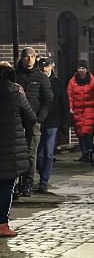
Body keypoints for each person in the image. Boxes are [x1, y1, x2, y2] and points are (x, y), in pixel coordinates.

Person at [0, 61, 37, 237]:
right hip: (11, 146)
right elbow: (31, 117)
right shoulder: (16, 92)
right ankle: (2, 224)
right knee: (7, 187)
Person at [15, 47, 53, 196]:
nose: (29, 59)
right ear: (22, 58)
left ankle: (28, 182)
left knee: (31, 153)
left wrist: (39, 119)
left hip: (34, 120)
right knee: (17, 153)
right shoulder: (16, 75)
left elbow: (48, 99)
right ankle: (17, 183)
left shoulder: (41, 77)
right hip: (17, 120)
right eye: (27, 56)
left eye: (32, 56)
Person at [36, 58, 70, 192]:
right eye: (43, 67)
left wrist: (65, 123)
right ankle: (41, 175)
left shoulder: (58, 83)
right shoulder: (37, 81)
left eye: (47, 66)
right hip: (39, 120)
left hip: (53, 121)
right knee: (39, 154)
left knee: (48, 153)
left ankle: (44, 181)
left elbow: (64, 104)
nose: (45, 69)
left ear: (51, 67)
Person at [67, 60, 94, 163]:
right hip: (77, 111)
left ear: (87, 69)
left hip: (88, 109)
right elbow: (70, 96)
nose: (81, 70)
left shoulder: (92, 81)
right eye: (80, 68)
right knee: (79, 133)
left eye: (83, 68)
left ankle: (88, 151)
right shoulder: (72, 82)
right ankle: (84, 153)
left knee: (87, 132)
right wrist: (71, 108)